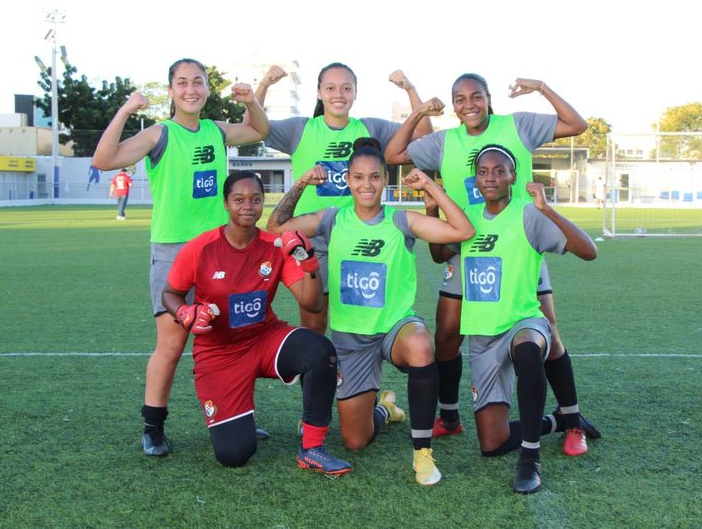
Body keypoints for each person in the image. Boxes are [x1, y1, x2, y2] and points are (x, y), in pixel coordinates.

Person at [384, 73, 600, 455]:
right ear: (453, 105)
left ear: (489, 99)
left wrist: (541, 88)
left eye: (477, 96)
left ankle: (571, 418)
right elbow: (393, 155)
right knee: (448, 335)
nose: (469, 105)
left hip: (518, 245)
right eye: (460, 99)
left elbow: (577, 125)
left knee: (547, 336)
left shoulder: (516, 125)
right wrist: (418, 109)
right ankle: (449, 416)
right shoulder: (445, 141)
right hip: (469, 244)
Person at [266, 138, 475, 486]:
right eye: (359, 177)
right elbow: (275, 228)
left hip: (395, 328)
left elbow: (463, 231)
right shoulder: (331, 219)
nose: (367, 185)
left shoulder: (401, 221)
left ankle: (422, 454)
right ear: (347, 180)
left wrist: (430, 188)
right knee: (355, 440)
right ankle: (385, 407)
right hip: (352, 340)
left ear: (385, 180)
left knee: (422, 345)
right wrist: (301, 182)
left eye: (375, 177)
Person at [91, 58, 270, 456]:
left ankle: (236, 417)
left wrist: (252, 100)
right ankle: (153, 427)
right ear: (171, 90)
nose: (191, 89)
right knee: (171, 345)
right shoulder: (160, 134)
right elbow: (103, 160)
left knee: (233, 340)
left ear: (207, 89)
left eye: (199, 82)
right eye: (182, 82)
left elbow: (260, 128)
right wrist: (125, 109)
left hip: (221, 251)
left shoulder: (216, 131)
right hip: (174, 253)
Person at [161, 171, 351, 473]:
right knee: (234, 454)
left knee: (319, 349)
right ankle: (240, 419)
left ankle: (313, 449)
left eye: (255, 199)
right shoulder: (201, 247)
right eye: (239, 199)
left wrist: (309, 262)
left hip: (264, 339)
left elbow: (312, 303)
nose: (247, 205)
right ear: (225, 204)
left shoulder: (274, 246)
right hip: (219, 353)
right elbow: (170, 293)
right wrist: (185, 313)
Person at [253, 63, 433, 334]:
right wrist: (264, 84)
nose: (339, 94)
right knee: (314, 322)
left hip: (354, 237)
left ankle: (349, 370)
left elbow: (423, 134)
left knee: (356, 320)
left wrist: (409, 88)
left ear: (355, 93)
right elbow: (257, 128)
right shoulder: (300, 129)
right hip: (312, 240)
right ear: (318, 93)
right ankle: (318, 374)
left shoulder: (370, 127)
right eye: (331, 88)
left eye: (346, 88)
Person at [460, 145, 597, 493]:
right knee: (491, 444)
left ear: (513, 177)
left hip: (524, 322)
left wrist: (547, 209)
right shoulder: (466, 217)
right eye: (483, 171)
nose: (490, 177)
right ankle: (560, 420)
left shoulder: (528, 215)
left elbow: (588, 251)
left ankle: (530, 458)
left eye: (499, 170)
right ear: (475, 178)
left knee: (528, 351)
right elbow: (438, 252)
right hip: (482, 337)